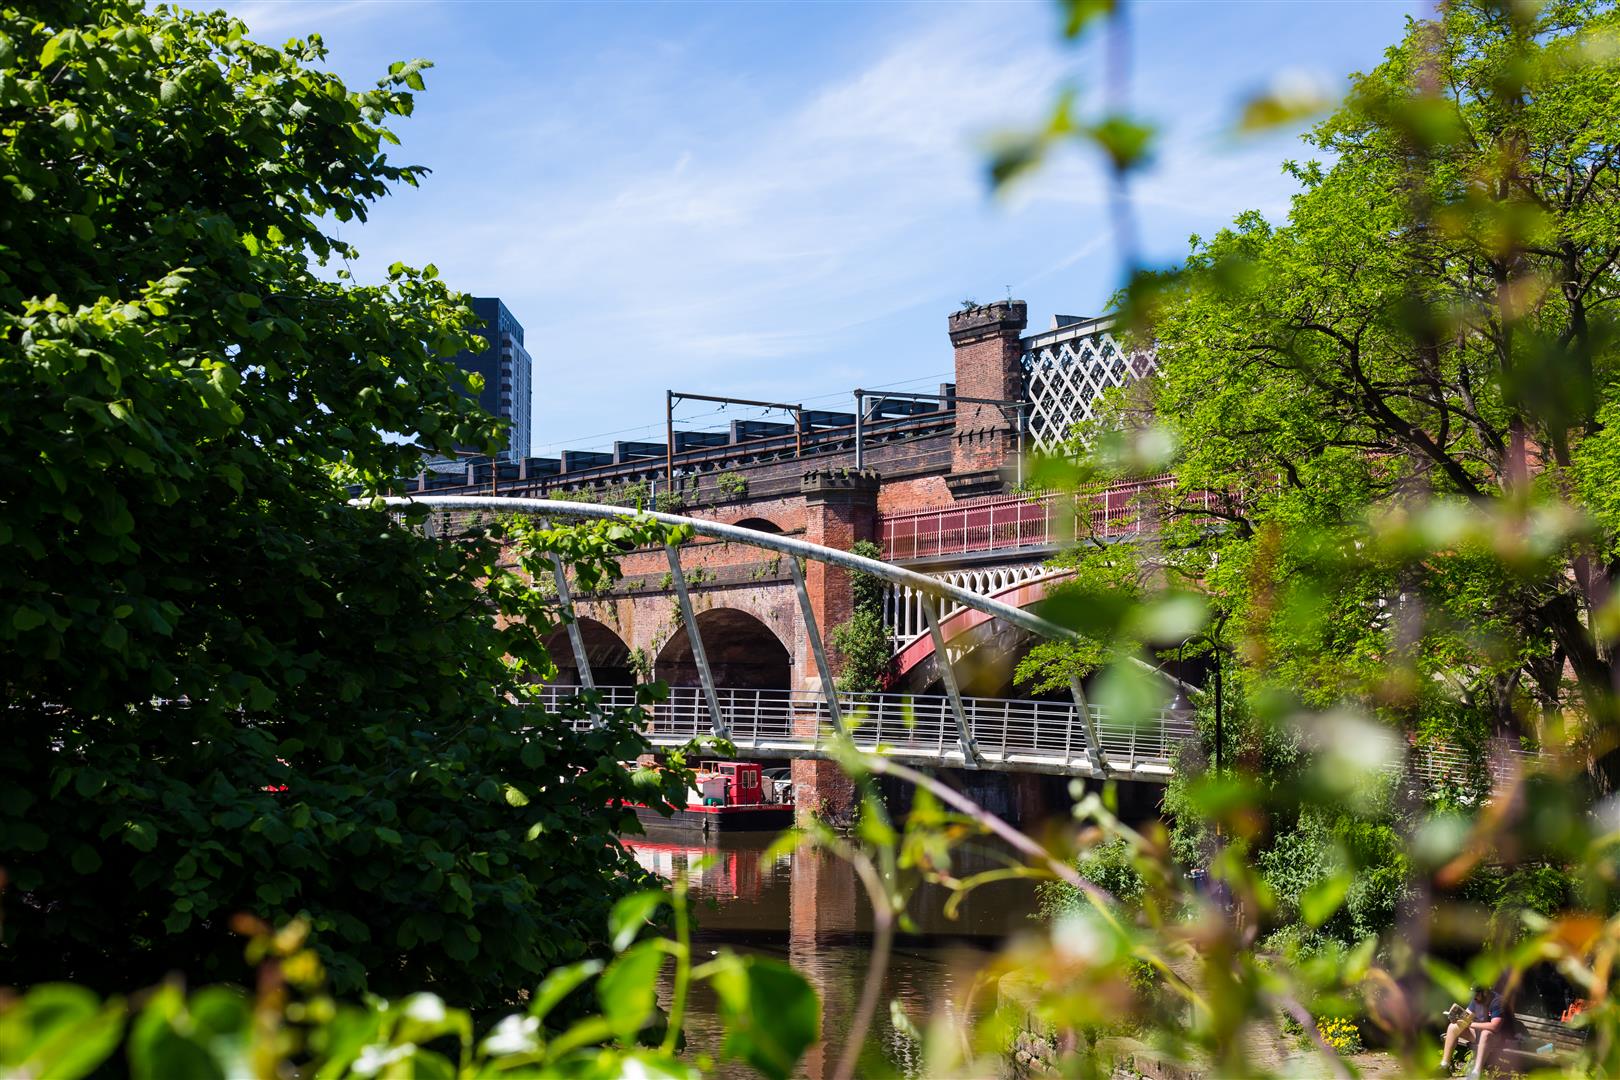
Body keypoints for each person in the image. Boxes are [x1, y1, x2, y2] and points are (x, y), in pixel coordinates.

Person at [1440, 985, 1519, 1077]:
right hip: (1481, 1036)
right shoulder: (1476, 1000)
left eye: (1476, 994)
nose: (1474, 997)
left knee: (1486, 1033)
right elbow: (1467, 1017)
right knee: (1452, 1027)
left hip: (1502, 1039)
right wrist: (1457, 1020)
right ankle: (1444, 1066)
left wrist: (1469, 1024)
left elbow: (1495, 1026)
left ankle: (1476, 1073)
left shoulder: (1497, 1002)